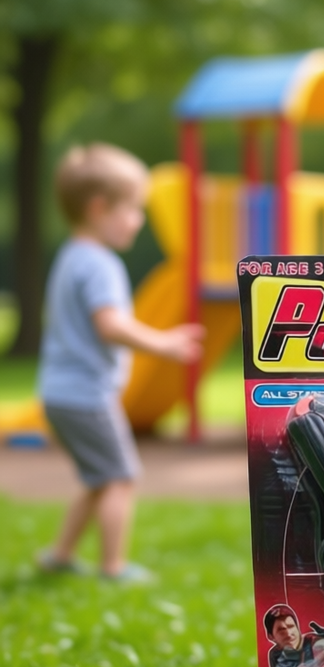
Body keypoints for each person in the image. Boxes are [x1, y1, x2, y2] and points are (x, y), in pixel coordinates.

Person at [36, 143, 204, 581]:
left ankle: (60, 555)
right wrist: (163, 344)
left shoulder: (71, 256)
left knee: (98, 476)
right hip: (86, 395)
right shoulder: (100, 264)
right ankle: (112, 567)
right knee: (120, 476)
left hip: (60, 394)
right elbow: (110, 325)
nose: (139, 219)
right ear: (98, 208)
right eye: (132, 209)